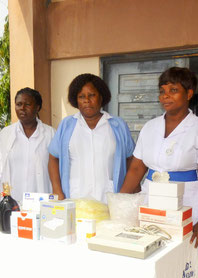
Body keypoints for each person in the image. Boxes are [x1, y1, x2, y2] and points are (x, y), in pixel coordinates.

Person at [120, 67, 198, 278]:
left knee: (184, 259)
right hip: (150, 197)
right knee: (151, 253)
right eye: (162, 91)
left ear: (189, 93)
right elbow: (136, 168)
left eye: (173, 90)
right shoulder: (150, 127)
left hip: (187, 202)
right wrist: (120, 203)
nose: (165, 96)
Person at [48, 73, 135, 203]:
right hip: (74, 198)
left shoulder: (118, 125)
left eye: (92, 95)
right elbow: (53, 158)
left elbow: (131, 160)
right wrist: (57, 190)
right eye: (81, 96)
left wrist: (126, 193)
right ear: (75, 100)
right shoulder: (67, 125)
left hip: (108, 199)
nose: (86, 100)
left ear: (101, 96)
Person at [0, 87, 55, 204]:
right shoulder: (4, 136)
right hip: (11, 204)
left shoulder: (51, 135)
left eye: (27, 104)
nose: (22, 108)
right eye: (19, 104)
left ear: (37, 107)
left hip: (43, 202)